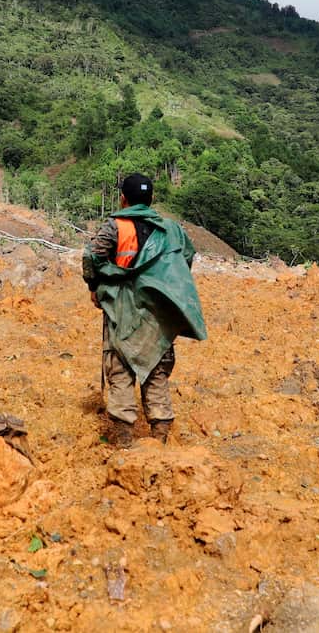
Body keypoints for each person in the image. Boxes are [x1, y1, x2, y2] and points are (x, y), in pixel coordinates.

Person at [82, 173, 207, 447]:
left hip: (123, 309)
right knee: (157, 370)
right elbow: (186, 256)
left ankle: (124, 443)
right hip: (158, 312)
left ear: (123, 199)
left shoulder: (115, 226)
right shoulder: (171, 228)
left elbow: (92, 256)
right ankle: (159, 439)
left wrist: (96, 286)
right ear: (151, 200)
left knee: (121, 367)